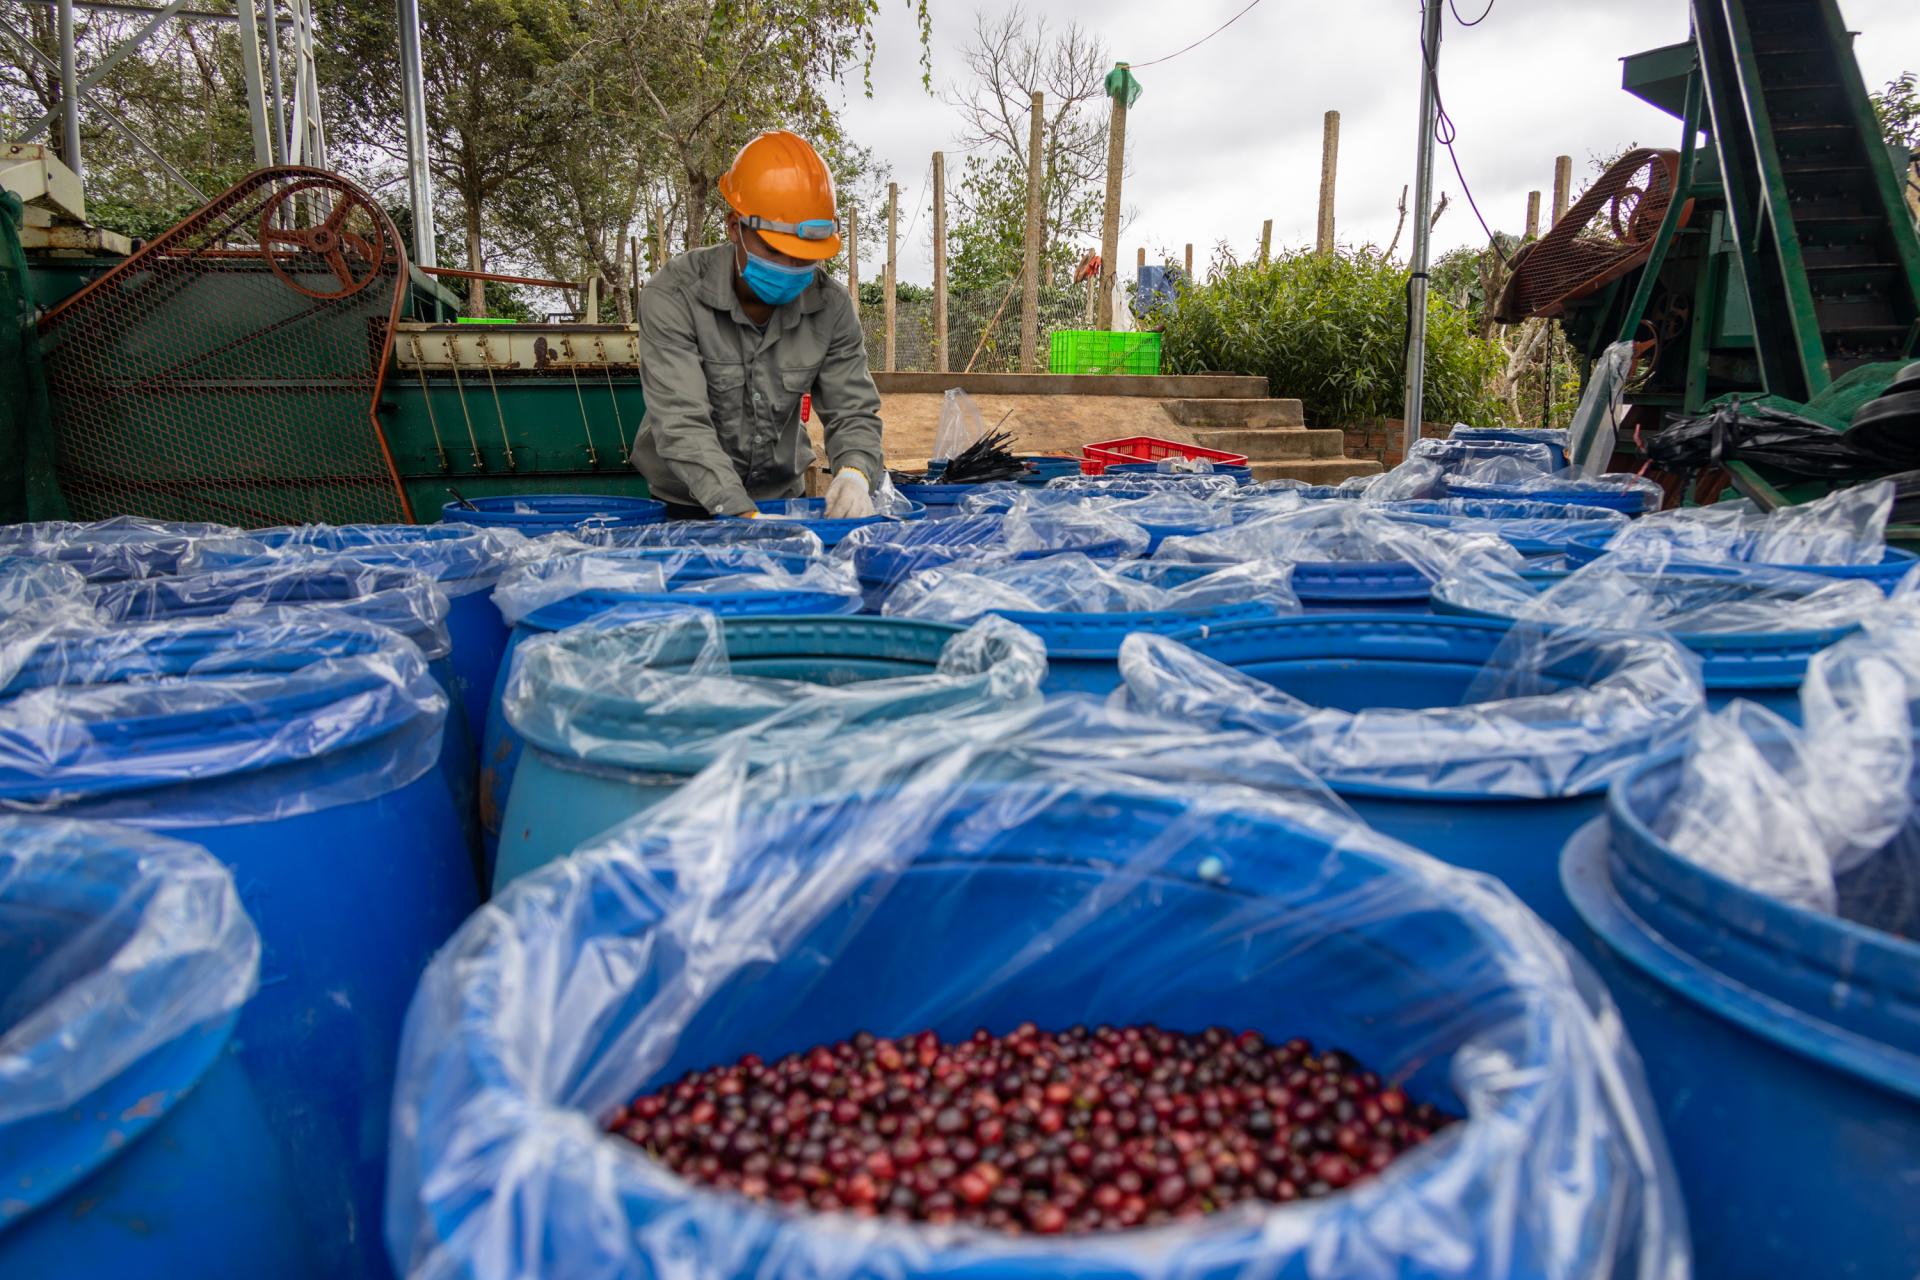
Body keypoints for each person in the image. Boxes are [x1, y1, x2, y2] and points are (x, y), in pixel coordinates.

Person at [632, 130, 883, 520]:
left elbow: (852, 411)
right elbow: (681, 422)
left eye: (804, 258)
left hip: (783, 499)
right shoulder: (674, 295)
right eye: (776, 252)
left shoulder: (831, 307)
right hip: (687, 506)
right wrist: (740, 514)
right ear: (735, 227)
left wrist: (854, 473)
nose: (791, 268)